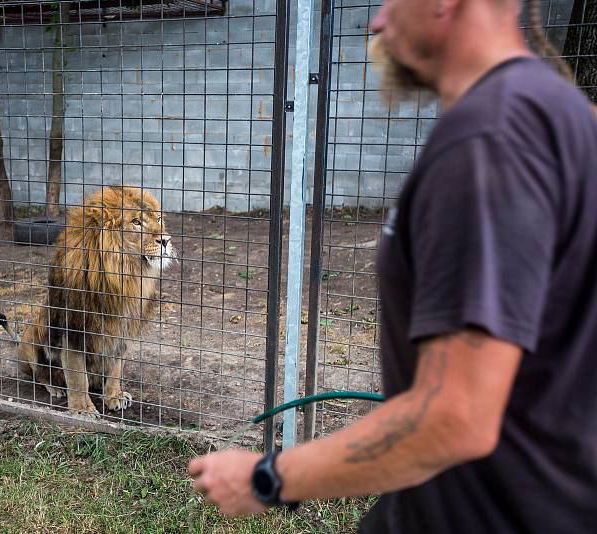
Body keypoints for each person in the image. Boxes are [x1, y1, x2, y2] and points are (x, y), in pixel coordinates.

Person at [188, 0, 597, 531]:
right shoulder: (568, 115)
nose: (377, 22)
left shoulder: (488, 142)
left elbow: (456, 415)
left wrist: (267, 476)